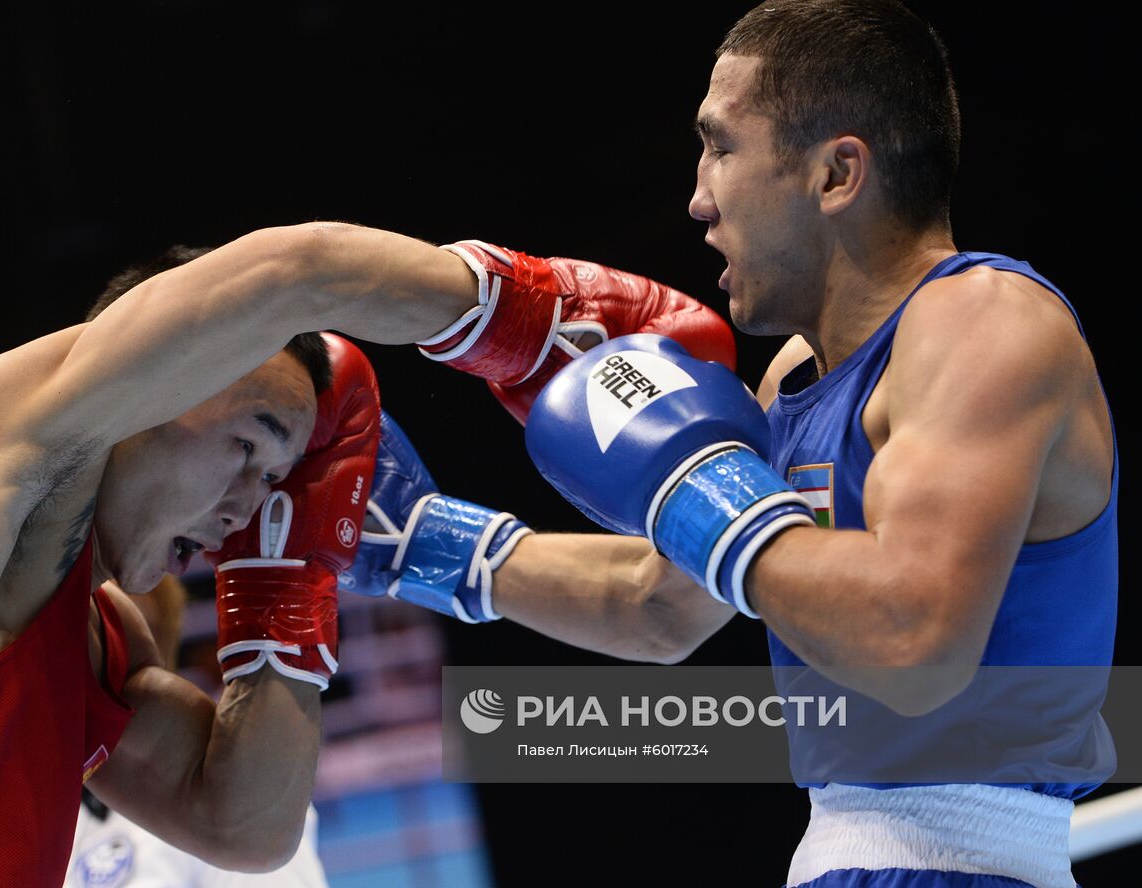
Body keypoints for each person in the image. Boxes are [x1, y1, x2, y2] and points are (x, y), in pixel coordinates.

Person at [0, 223, 730, 886]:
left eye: (277, 476)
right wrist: (511, 314)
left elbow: (243, 828)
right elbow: (293, 270)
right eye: (250, 441)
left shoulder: (90, 639)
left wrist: (286, 582)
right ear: (159, 378)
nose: (252, 500)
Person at [403, 1, 1114, 886]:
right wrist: (427, 545)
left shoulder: (983, 319)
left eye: (721, 146)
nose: (698, 197)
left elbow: (915, 642)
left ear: (835, 174)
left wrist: (702, 493)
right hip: (841, 855)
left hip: (968, 861)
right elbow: (657, 606)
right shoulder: (794, 378)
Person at [64, 575, 329, 888]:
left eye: (119, 634)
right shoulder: (47, 800)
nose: (107, 661)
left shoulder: (247, 788)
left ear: (156, 655)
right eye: (95, 636)